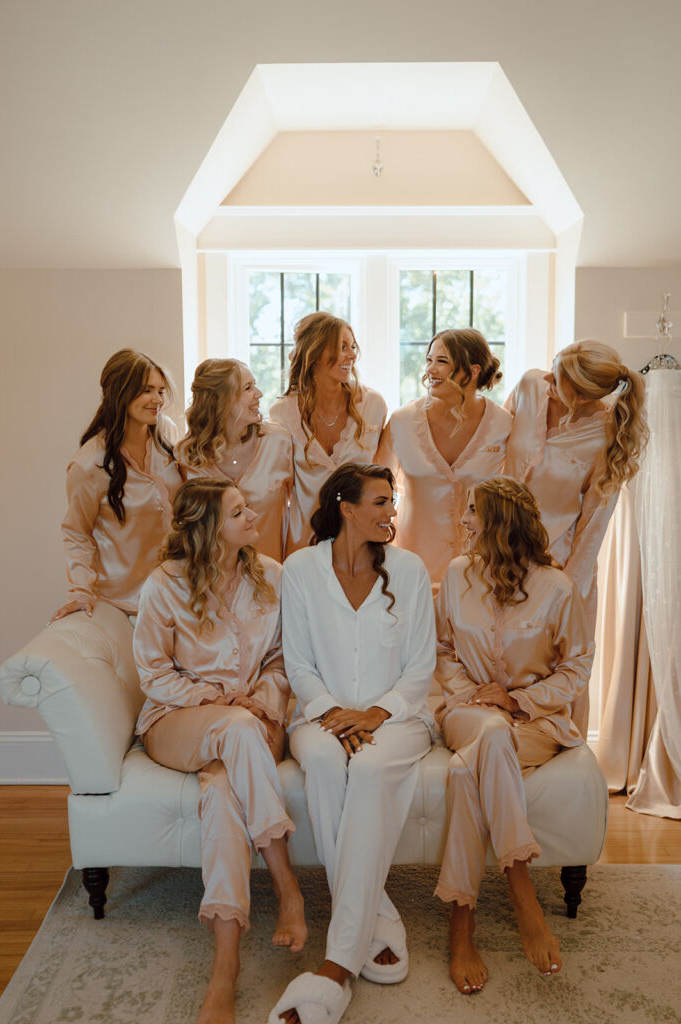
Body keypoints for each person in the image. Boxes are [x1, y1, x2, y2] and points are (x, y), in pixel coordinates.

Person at [134, 478, 307, 1024]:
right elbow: (153, 673)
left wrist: (259, 699)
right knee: (233, 730)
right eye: (238, 511)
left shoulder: (272, 579)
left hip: (258, 719)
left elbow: (284, 662)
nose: (253, 514)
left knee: (223, 789)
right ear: (209, 529)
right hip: (179, 719)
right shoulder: (164, 585)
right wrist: (217, 696)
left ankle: (225, 964)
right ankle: (286, 884)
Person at [269, 463, 435, 1024]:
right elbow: (298, 660)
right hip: (320, 718)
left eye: (393, 503)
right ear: (346, 507)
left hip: (398, 718)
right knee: (321, 760)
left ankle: (337, 965)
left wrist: (374, 714)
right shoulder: (299, 569)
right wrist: (332, 714)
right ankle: (378, 915)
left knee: (364, 771)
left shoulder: (409, 571)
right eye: (382, 502)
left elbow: (420, 668)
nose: (392, 513)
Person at [434, 477, 593, 995]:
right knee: (490, 733)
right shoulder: (457, 576)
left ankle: (462, 924)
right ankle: (522, 890)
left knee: (464, 772)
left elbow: (577, 667)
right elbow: (442, 651)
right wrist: (479, 697)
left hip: (536, 723)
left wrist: (519, 700)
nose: (464, 522)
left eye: (474, 512)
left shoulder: (558, 587)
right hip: (466, 712)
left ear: (502, 522)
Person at [504, 341, 648, 732]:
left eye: (560, 378)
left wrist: (562, 592)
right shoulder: (531, 387)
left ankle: (560, 770)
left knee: (548, 673)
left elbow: (592, 528)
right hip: (495, 559)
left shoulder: (606, 435)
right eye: (553, 368)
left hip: (555, 570)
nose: (548, 377)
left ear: (584, 394)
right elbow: (493, 451)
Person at [50, 348, 182, 622]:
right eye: (147, 390)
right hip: (127, 602)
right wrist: (80, 591)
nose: (157, 399)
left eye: (160, 391)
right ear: (119, 392)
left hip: (177, 590)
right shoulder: (90, 465)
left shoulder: (165, 433)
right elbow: (76, 533)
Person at [377, 329, 512, 591]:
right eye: (429, 360)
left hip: (482, 571)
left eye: (442, 361)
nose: (430, 370)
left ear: (472, 371)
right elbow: (376, 492)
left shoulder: (503, 425)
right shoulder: (402, 422)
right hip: (411, 569)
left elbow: (513, 496)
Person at [269, 312, 387, 554]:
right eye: (342, 347)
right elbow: (278, 490)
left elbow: (383, 479)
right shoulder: (282, 413)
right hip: (304, 545)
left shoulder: (373, 405)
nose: (352, 354)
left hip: (361, 546)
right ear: (315, 353)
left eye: (353, 346)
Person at [177, 358, 293, 562]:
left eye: (254, 385)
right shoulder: (186, 455)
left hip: (272, 580)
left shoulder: (279, 442)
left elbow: (297, 515)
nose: (259, 394)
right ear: (221, 400)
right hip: (211, 581)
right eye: (247, 388)